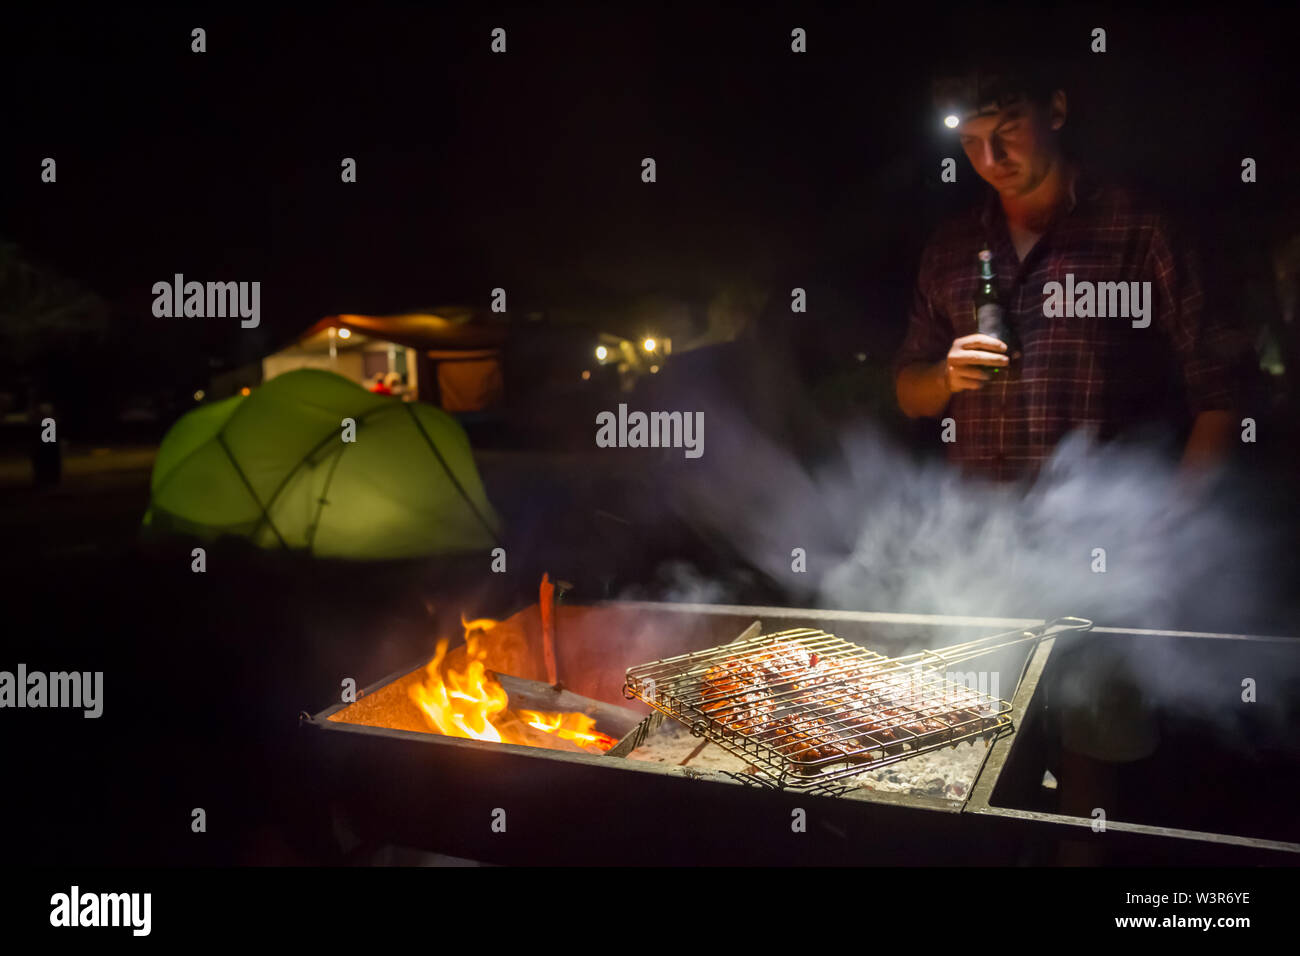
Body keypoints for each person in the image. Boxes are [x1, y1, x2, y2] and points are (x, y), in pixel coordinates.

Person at [892, 58, 1257, 862]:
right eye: (973, 141)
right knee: (988, 757)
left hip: (1107, 555)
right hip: (981, 554)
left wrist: (1172, 531)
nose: (991, 158)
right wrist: (943, 376)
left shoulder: (1139, 225)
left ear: (1056, 108)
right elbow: (908, 392)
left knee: (1093, 763)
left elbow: (1222, 389)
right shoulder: (955, 248)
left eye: (1008, 129)